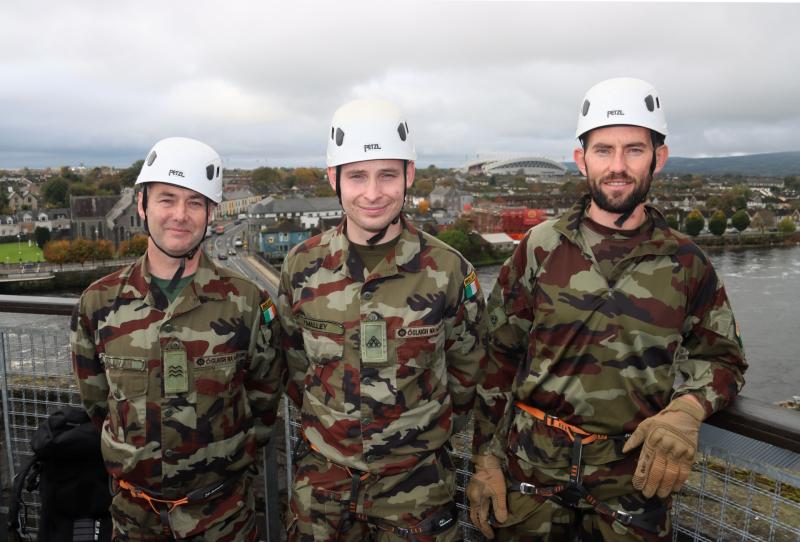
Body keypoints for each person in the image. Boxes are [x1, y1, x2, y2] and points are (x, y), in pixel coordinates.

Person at [467, 77, 747, 541]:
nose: (618, 166)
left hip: (631, 488)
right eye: (603, 150)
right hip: (531, 479)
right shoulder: (540, 247)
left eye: (634, 150)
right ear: (582, 160)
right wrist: (485, 457)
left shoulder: (686, 263)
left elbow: (724, 358)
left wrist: (688, 409)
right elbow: (498, 358)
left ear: (659, 157)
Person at [277, 99, 487, 541]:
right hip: (322, 488)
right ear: (333, 179)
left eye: (387, 174)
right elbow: (295, 368)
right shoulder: (301, 266)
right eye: (357, 175)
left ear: (409, 175)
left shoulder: (448, 270)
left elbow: (469, 380)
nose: (373, 193)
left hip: (417, 489)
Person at [71, 137, 284, 541]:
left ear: (211, 213)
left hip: (222, 516)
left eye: (195, 202)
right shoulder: (98, 303)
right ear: (142, 205)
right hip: (134, 517)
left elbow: (263, 398)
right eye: (167, 199)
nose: (180, 215)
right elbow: (97, 403)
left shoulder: (246, 302)